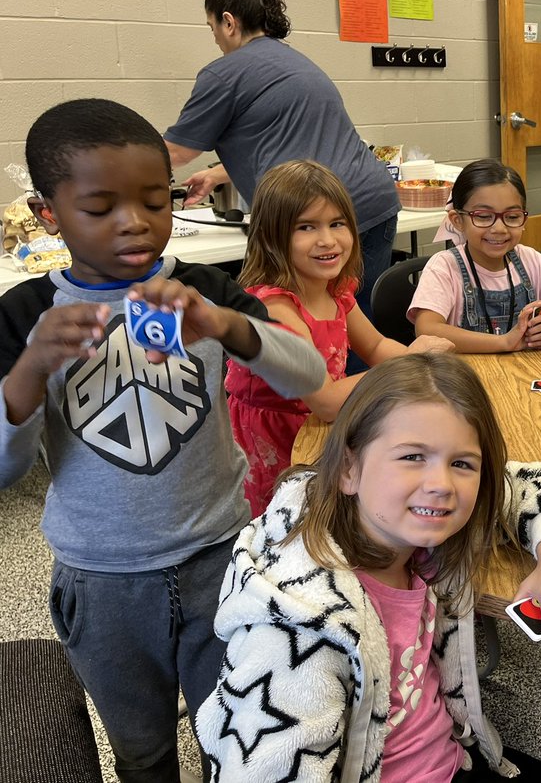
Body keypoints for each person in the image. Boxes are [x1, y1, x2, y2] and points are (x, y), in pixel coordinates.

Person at [0, 99, 326, 782]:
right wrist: (29, 372)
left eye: (156, 200)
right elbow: (6, 467)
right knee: (140, 743)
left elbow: (307, 375)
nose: (136, 222)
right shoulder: (25, 314)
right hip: (103, 578)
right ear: (47, 213)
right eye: (101, 207)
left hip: (220, 554)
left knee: (232, 726)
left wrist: (229, 328)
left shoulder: (201, 290)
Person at [195, 353, 541, 780]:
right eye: (412, 457)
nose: (441, 484)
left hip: (450, 759)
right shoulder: (299, 632)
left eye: (461, 463)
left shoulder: (405, 530)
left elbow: (524, 482)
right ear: (349, 469)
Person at [163, 0, 400, 319]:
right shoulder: (297, 62)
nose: (214, 37)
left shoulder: (223, 73)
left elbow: (174, 153)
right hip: (372, 205)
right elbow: (288, 141)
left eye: (212, 26)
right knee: (355, 327)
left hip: (315, 217)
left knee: (302, 333)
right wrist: (217, 175)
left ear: (228, 22)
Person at [228, 159, 454, 516]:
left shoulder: (335, 290)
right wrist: (413, 359)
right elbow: (327, 401)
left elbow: (377, 346)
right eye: (306, 227)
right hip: (277, 443)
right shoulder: (276, 311)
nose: (327, 240)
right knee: (293, 524)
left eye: (337, 224)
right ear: (272, 237)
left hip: (320, 428)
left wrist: (418, 361)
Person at [409, 159, 541, 353]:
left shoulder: (530, 260)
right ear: (458, 220)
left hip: (525, 374)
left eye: (512, 217)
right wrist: (504, 342)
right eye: (483, 216)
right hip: (467, 378)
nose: (499, 228)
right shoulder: (445, 267)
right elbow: (427, 329)